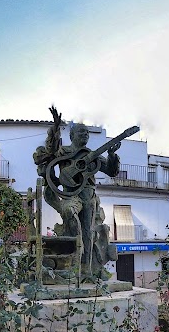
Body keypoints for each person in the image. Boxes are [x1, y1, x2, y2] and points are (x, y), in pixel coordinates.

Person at [33, 106, 121, 280]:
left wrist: (112, 155)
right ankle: (75, 256)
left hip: (88, 194)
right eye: (81, 132)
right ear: (72, 135)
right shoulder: (63, 152)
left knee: (89, 231)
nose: (85, 135)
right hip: (70, 194)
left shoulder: (91, 154)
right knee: (68, 212)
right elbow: (50, 150)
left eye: (87, 133)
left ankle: (87, 270)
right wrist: (56, 128)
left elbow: (111, 171)